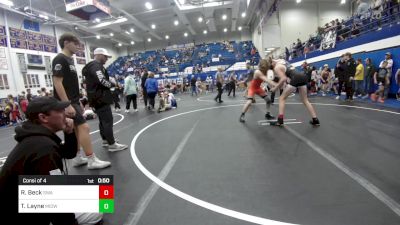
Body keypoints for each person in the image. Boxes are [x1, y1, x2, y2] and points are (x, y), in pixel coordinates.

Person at [0, 97, 103, 225]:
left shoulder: (37, 137)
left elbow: (69, 154)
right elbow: (55, 204)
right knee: (97, 209)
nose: (65, 114)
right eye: (60, 111)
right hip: (25, 213)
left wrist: (70, 132)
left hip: (30, 199)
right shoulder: (43, 148)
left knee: (102, 197)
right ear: (43, 117)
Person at [52, 33, 110, 169]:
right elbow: (57, 82)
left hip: (74, 100)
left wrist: (77, 103)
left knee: (77, 129)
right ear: (66, 43)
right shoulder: (60, 59)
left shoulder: (70, 60)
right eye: (76, 44)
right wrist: (67, 104)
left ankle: (77, 157)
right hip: (68, 102)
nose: (78, 47)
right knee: (84, 127)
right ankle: (91, 159)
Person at [83, 48, 128, 152]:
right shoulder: (96, 66)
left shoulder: (94, 66)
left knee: (103, 121)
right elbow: (102, 80)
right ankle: (112, 144)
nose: (107, 59)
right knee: (108, 120)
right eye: (105, 56)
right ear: (98, 55)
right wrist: (114, 84)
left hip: (96, 98)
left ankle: (106, 140)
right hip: (100, 98)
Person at [268, 58, 320, 126]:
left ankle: (280, 120)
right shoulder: (282, 60)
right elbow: (286, 76)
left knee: (281, 98)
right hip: (303, 76)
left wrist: (275, 88)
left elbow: (283, 78)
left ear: (272, 64)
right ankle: (315, 119)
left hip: (296, 78)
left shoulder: (277, 67)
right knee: (305, 100)